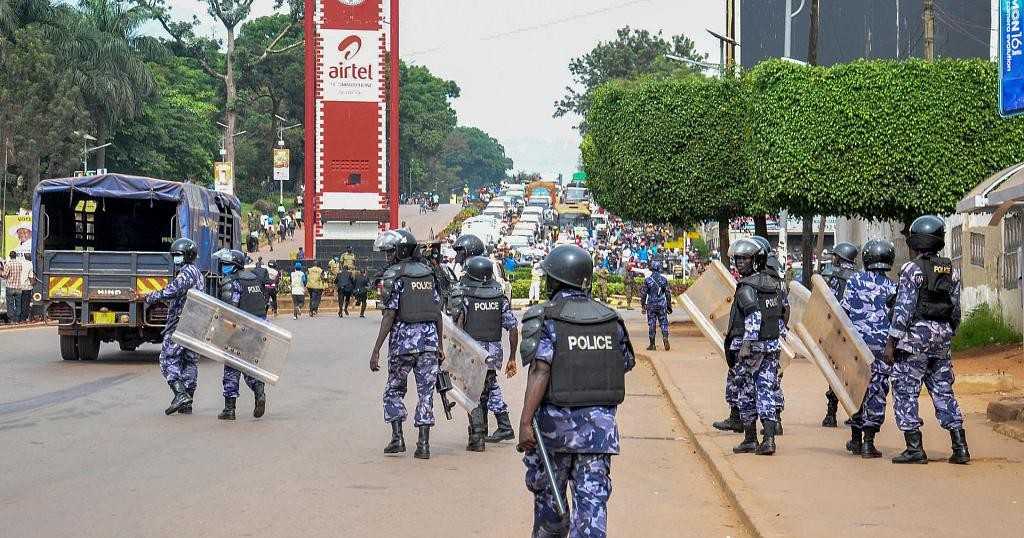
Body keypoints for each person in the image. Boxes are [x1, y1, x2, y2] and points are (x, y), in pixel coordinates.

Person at [517, 244, 634, 537]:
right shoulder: (610, 319)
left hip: (554, 433)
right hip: (598, 435)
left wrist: (524, 422)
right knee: (592, 513)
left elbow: (540, 369)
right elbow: (625, 362)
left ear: (556, 280)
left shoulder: (549, 318)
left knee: (551, 511)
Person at [884, 216, 970, 465]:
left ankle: (914, 448)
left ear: (915, 240)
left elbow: (903, 309)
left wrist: (891, 343)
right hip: (941, 340)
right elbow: (955, 310)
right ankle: (960, 446)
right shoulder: (952, 269)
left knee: (905, 390)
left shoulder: (912, 269)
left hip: (914, 341)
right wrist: (946, 333)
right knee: (943, 390)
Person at [369, 229, 444, 459]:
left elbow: (389, 315)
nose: (388, 257)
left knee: (393, 389)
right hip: (429, 344)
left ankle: (397, 438)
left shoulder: (396, 276)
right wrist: (439, 345)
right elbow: (438, 313)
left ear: (400, 250)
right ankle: (423, 445)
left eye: (390, 251)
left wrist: (376, 349)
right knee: (426, 394)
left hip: (402, 344)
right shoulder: (429, 274)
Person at [449, 256, 519, 451]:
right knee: (488, 388)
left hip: (473, 353)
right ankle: (503, 426)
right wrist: (512, 357)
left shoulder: (465, 295)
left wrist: (454, 353)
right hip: (493, 355)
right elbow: (513, 328)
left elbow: (458, 326)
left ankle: (477, 437)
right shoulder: (499, 297)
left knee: (473, 394)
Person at [840, 240, 897, 458]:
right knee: (877, 391)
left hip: (856, 347)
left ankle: (855, 439)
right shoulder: (893, 287)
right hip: (883, 349)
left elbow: (843, 312)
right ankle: (868, 443)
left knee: (856, 390)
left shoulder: (853, 281)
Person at [725, 238, 782, 456]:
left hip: (749, 351)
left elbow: (753, 315)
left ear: (756, 259)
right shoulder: (772, 283)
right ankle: (769, 439)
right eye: (738, 258)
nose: (740, 263)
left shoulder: (746, 287)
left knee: (746, 393)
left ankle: (751, 438)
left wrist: (747, 343)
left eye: (745, 259)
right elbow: (782, 312)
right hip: (771, 346)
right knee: (766, 390)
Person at [144, 238, 204, 415]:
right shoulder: (197, 273)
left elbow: (171, 291)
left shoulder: (186, 273)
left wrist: (149, 296)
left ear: (187, 256)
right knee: (189, 361)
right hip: (195, 324)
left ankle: (180, 394)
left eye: (178, 255)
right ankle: (187, 401)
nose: (175, 259)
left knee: (167, 359)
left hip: (181, 324)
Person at [213, 249, 269, 421]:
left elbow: (230, 312)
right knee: (249, 366)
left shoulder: (231, 282)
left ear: (235, 266)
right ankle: (259, 390)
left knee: (231, 369)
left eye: (227, 265)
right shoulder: (254, 279)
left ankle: (229, 409)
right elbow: (263, 304)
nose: (224, 267)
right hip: (258, 330)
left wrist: (220, 333)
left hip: (238, 332)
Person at [821, 241, 860, 428]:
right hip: (856, 333)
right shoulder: (860, 277)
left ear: (840, 257)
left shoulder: (834, 275)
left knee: (835, 373)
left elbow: (829, 300)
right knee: (855, 375)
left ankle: (831, 414)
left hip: (837, 330)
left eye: (835, 256)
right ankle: (856, 415)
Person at [641, 260, 672, 351]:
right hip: (662, 304)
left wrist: (643, 305)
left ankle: (652, 344)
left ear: (652, 269)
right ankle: (665, 338)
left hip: (651, 305)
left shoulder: (648, 280)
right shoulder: (663, 280)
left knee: (651, 323)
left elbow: (643, 294)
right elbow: (668, 294)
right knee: (663, 322)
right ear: (659, 268)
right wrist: (669, 306)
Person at [1, 251, 23, 323]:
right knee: (18, 304)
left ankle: (11, 320)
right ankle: (17, 319)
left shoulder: (8, 264)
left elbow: (4, 275)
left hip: (10, 286)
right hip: (18, 287)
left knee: (10, 304)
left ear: (10, 256)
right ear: (15, 256)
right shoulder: (19, 264)